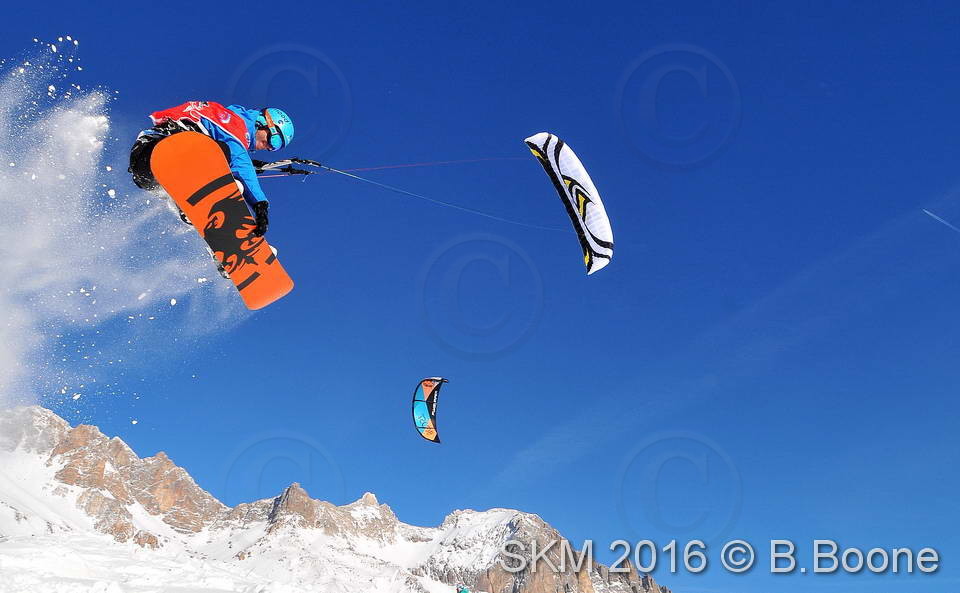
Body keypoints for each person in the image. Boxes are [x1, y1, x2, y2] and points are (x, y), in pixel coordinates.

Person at [128, 101, 294, 237]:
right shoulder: (235, 122)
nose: (269, 147)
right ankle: (211, 196)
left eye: (276, 148)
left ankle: (221, 249)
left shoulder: (228, 126)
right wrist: (260, 204)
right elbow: (239, 160)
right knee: (223, 156)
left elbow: (239, 158)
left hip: (150, 172)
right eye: (274, 141)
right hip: (155, 148)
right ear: (265, 123)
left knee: (209, 211)